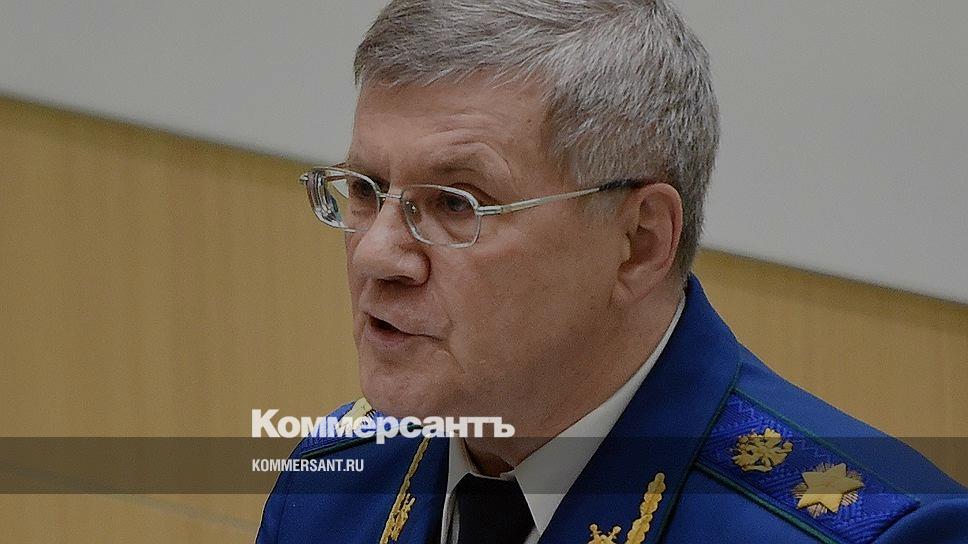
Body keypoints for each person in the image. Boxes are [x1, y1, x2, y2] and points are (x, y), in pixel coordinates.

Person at [258, 1, 968, 542]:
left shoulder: (870, 535)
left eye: (455, 203)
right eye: (365, 190)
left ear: (639, 243)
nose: (377, 255)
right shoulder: (333, 482)